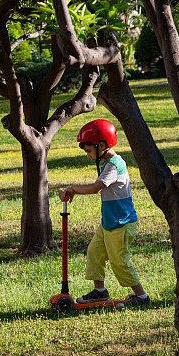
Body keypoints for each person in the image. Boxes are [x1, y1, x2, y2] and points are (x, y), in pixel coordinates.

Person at [60, 119, 149, 308]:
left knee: (119, 262)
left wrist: (73, 189)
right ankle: (100, 292)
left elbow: (96, 188)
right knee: (95, 252)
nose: (88, 156)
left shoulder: (114, 164)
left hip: (122, 223)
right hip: (110, 222)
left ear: (101, 145)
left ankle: (141, 297)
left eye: (89, 151)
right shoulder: (107, 163)